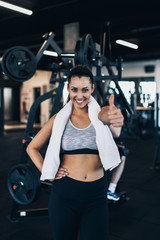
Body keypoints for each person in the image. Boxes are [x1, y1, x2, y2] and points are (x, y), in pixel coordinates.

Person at [27, 65, 123, 240]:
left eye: (85, 90)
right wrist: (47, 171)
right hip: (65, 194)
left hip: (96, 194)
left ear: (92, 89)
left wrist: (115, 118)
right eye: (74, 90)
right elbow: (31, 148)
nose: (80, 96)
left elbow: (113, 126)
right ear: (68, 89)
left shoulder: (100, 115)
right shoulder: (58, 119)